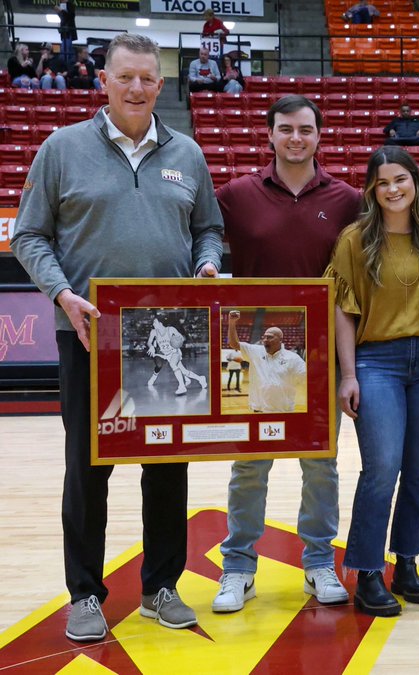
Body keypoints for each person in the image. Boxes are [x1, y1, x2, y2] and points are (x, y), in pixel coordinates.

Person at [10, 33, 223, 642]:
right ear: (103, 80)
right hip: (90, 335)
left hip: (170, 333)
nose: (136, 88)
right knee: (88, 469)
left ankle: (161, 585)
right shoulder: (62, 149)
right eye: (125, 77)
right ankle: (84, 593)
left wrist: (207, 263)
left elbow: (208, 228)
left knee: (167, 466)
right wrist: (60, 292)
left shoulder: (188, 152)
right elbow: (29, 236)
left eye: (147, 79)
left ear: (161, 86)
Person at [211, 94, 360, 614]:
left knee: (321, 466)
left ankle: (319, 562)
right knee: (249, 467)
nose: (296, 138)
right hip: (256, 350)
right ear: (269, 134)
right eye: (285, 129)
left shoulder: (346, 199)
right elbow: (202, 239)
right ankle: (238, 568)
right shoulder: (236, 194)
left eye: (305, 129)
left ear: (320, 136)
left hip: (318, 358)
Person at [328, 147, 419, 616]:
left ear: (415, 183)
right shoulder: (355, 240)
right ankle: (366, 572)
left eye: (401, 179)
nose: (393, 189)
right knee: (381, 468)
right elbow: (343, 309)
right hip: (376, 359)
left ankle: (407, 562)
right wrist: (348, 374)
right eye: (383, 183)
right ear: (371, 190)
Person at [226, 313, 306, 412]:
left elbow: (307, 377)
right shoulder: (255, 351)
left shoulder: (293, 358)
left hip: (283, 411)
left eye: (270, 337)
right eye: (264, 337)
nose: (265, 340)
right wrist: (232, 322)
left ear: (280, 339)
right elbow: (234, 343)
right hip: (258, 410)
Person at [146, 316, 207, 395]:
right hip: (166, 354)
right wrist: (151, 347)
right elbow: (149, 342)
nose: (153, 324)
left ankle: (182, 386)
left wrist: (177, 340)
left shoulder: (170, 329)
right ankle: (200, 378)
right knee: (184, 372)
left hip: (175, 352)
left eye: (155, 322)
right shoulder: (153, 332)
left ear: (160, 323)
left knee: (172, 364)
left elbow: (181, 337)